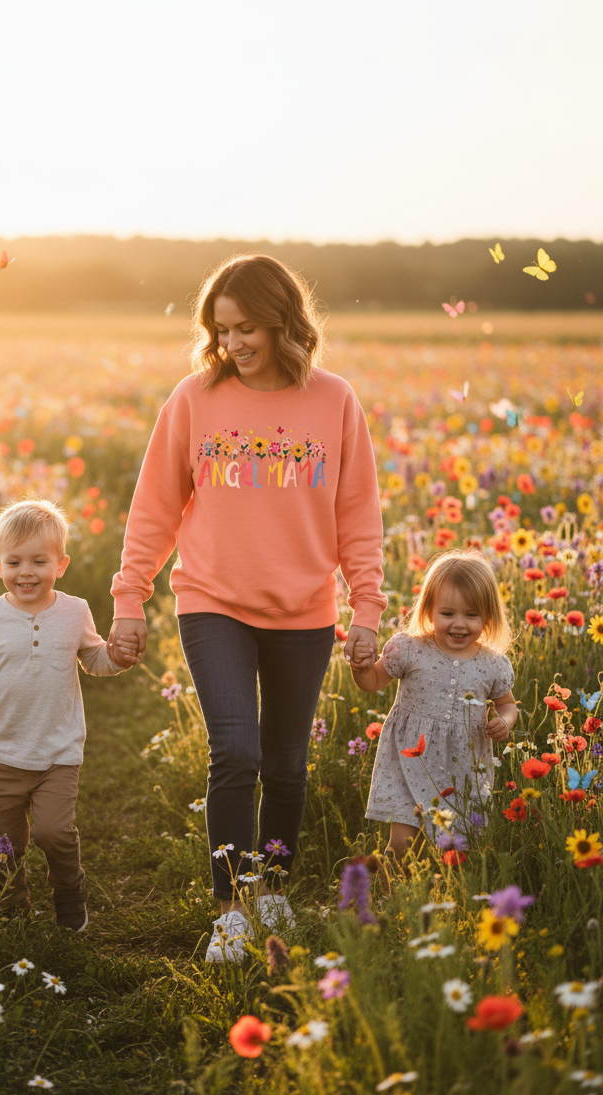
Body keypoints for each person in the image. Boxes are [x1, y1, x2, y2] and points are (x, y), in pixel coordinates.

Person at [106, 254, 386, 962]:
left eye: (247, 328)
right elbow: (155, 507)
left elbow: (358, 516)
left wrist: (368, 611)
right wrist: (129, 597)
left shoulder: (334, 400)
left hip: (304, 610)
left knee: (288, 764)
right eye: (221, 329)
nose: (232, 343)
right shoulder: (195, 399)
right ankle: (230, 908)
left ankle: (274, 891)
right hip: (213, 603)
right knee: (236, 751)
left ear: (285, 322)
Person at [0, 498, 139, 931]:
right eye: (15, 561)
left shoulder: (74, 611)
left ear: (60, 564)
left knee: (53, 833)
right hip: (1, 753)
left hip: (57, 752)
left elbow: (92, 658)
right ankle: (13, 903)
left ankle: (68, 888)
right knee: (5, 845)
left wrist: (115, 657)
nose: (26, 571)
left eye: (39, 561)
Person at [350, 549, 517, 865]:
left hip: (462, 765)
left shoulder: (492, 665)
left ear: (489, 616)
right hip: (408, 757)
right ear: (429, 610)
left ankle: (447, 898)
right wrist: (361, 668)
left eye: (471, 615)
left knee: (457, 846)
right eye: (448, 613)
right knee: (401, 842)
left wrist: (504, 722)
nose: (459, 624)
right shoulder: (410, 649)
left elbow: (508, 705)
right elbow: (373, 682)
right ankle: (393, 897)